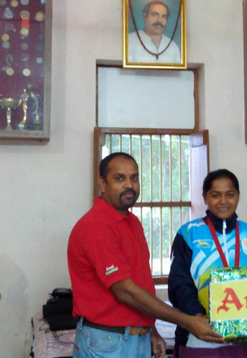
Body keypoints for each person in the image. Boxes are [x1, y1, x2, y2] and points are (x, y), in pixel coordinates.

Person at [68, 152, 224, 358]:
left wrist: (150, 328)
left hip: (134, 338)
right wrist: (187, 321)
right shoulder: (96, 226)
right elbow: (125, 290)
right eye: (119, 178)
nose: (129, 185)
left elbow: (139, 283)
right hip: (108, 342)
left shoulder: (132, 223)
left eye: (134, 178)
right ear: (102, 184)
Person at [168, 169, 247, 356]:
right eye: (215, 195)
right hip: (199, 338)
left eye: (230, 195)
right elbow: (179, 284)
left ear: (238, 196)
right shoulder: (189, 233)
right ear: (205, 197)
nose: (223, 201)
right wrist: (198, 318)